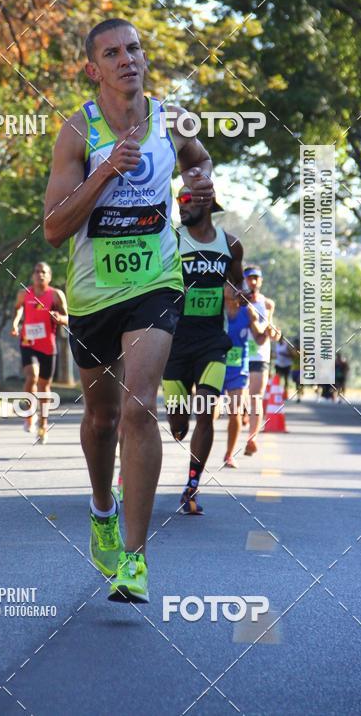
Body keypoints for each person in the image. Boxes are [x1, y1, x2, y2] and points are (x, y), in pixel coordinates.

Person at [44, 18, 214, 603]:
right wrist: (104, 173)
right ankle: (101, 510)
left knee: (141, 406)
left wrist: (197, 188)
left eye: (135, 49)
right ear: (93, 69)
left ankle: (136, 559)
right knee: (102, 421)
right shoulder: (77, 131)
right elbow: (53, 227)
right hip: (93, 294)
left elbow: (199, 158)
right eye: (112, 53)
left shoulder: (172, 118)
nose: (127, 60)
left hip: (157, 282)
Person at [162, 189, 243, 513]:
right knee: (179, 424)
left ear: (206, 204)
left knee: (206, 410)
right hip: (174, 342)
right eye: (178, 201)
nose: (181, 207)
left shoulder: (231, 244)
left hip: (212, 341)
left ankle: (192, 487)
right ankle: (179, 425)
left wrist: (237, 294)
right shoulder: (170, 239)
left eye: (186, 201)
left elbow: (238, 284)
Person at [11, 262, 68, 443]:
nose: (39, 275)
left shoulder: (56, 295)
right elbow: (18, 309)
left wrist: (60, 318)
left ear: (49, 276)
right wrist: (15, 323)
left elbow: (69, 318)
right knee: (31, 376)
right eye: (36, 271)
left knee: (44, 387)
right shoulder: (24, 294)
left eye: (43, 272)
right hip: (28, 342)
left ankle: (43, 425)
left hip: (48, 346)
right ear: (32, 275)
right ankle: (29, 415)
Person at [221, 284, 269, 468]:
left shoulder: (248, 311)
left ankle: (229, 454)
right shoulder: (216, 308)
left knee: (235, 413)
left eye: (236, 286)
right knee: (210, 414)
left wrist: (269, 332)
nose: (233, 289)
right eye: (229, 286)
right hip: (216, 364)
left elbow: (259, 338)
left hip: (238, 368)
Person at [243, 265, 281, 454]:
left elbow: (270, 329)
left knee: (256, 397)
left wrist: (274, 333)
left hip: (259, 354)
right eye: (250, 278)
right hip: (239, 352)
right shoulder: (237, 300)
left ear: (261, 281)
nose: (253, 282)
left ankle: (252, 438)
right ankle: (242, 414)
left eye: (256, 278)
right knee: (240, 398)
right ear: (244, 280)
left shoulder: (268, 304)